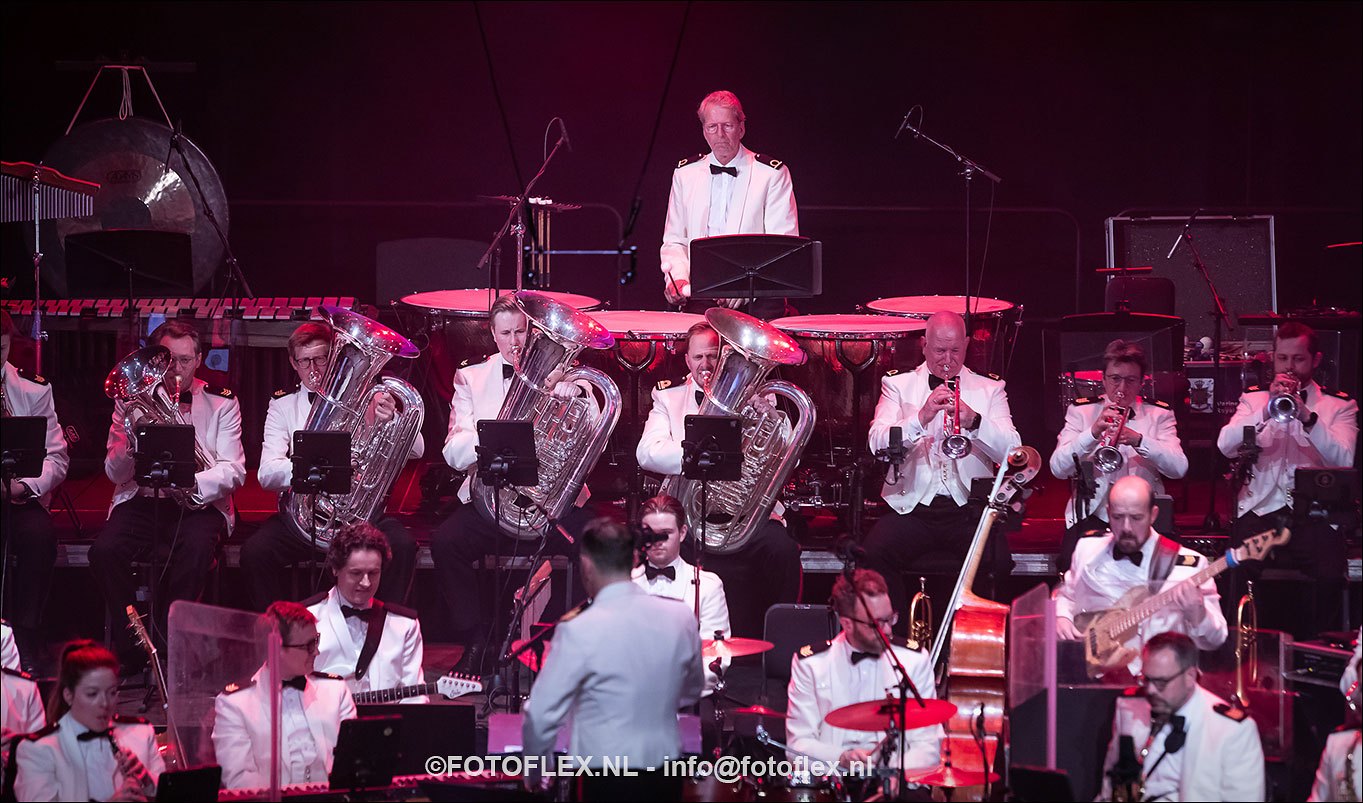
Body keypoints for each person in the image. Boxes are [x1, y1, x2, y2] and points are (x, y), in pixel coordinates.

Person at [430, 294, 595, 674]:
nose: (515, 342)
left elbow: (593, 438)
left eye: (521, 332)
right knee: (446, 543)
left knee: (597, 545)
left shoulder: (567, 374)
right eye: (506, 334)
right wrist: (495, 438)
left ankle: (554, 637)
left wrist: (576, 396)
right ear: (492, 334)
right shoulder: (471, 377)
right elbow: (453, 452)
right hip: (492, 503)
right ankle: (476, 640)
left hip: (551, 505)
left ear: (533, 332)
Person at [90, 320, 245, 668]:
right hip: (144, 499)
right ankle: (133, 646)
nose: (176, 369)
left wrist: (191, 482)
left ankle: (167, 646)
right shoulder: (130, 402)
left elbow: (234, 469)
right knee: (104, 552)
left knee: (196, 551)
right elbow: (114, 473)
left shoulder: (222, 402)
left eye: (185, 360)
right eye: (169, 360)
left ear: (199, 360)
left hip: (198, 504)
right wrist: (133, 443)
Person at [635, 321, 802, 637]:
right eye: (698, 357)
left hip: (746, 516)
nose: (706, 364)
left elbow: (787, 454)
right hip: (691, 514)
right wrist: (702, 454)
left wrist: (771, 418)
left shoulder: (761, 398)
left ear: (725, 356)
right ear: (687, 360)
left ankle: (780, 642)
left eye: (712, 356)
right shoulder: (669, 398)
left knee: (782, 549)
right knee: (660, 543)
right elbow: (647, 453)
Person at [240, 322, 422, 609]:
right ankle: (280, 629)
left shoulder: (371, 399)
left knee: (402, 546)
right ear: (293, 363)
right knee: (255, 553)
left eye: (321, 359)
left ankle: (382, 627)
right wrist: (313, 467)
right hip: (303, 518)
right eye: (305, 361)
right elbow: (267, 474)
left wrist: (393, 419)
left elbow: (417, 450)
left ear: (334, 360)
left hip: (360, 517)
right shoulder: (283, 406)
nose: (314, 369)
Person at [522, 518, 703, 801]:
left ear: (586, 565)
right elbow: (692, 689)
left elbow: (541, 714)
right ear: (634, 560)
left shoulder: (578, 629)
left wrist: (535, 774)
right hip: (666, 771)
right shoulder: (680, 617)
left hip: (604, 775)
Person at [862, 311, 1021, 625]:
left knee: (998, 561)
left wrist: (974, 421)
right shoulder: (898, 384)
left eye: (955, 351)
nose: (948, 360)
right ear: (924, 345)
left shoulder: (990, 389)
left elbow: (1013, 450)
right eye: (939, 350)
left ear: (967, 345)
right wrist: (920, 418)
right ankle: (897, 638)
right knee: (873, 555)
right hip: (912, 508)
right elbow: (876, 442)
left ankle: (971, 640)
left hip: (969, 511)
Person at [1217, 322, 1357, 635]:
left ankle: (1321, 651)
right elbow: (1225, 446)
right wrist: (1266, 412)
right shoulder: (1253, 400)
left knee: (1330, 577)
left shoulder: (1339, 405)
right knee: (1236, 568)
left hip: (1315, 514)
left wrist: (1308, 417)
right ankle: (1239, 645)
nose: (1289, 367)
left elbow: (1344, 460)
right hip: (1260, 510)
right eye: (1282, 358)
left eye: (1298, 359)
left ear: (1315, 360)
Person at [1054, 477, 1227, 676]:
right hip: (1096, 675)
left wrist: (1198, 613)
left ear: (1153, 515)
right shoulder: (1087, 549)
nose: (1126, 527)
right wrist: (1062, 616)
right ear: (1108, 513)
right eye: (1118, 517)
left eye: (1136, 518)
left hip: (1160, 682)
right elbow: (1067, 595)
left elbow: (1216, 640)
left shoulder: (1189, 567)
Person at [786, 569, 941, 780]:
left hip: (896, 783)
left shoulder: (914, 661)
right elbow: (797, 746)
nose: (888, 630)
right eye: (877, 623)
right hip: (834, 782)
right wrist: (840, 757)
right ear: (847, 624)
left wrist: (891, 772)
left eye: (890, 619)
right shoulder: (812, 664)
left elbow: (929, 746)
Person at [1050, 339, 1187, 572]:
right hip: (1092, 514)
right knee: (1069, 563)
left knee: (1163, 570)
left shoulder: (1159, 414)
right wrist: (1093, 433)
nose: (1122, 387)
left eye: (1130, 380)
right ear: (1103, 379)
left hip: (1142, 516)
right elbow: (1058, 468)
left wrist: (1140, 441)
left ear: (1141, 382)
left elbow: (1179, 468)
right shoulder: (1080, 412)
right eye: (1115, 379)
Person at [660, 90, 798, 320]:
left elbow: (782, 246)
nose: (720, 134)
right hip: (701, 292)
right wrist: (679, 279)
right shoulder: (685, 174)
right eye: (712, 127)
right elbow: (674, 240)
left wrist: (743, 286)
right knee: (697, 341)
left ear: (741, 128)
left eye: (727, 126)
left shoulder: (772, 174)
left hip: (758, 296)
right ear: (704, 131)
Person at [1100, 632, 1264, 802]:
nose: (1151, 690)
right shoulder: (1130, 707)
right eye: (1146, 680)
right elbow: (1109, 784)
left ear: (1190, 677)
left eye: (1161, 682)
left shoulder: (1232, 730)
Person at [212, 601, 356, 789]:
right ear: (276, 648)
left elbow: (352, 761)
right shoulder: (234, 703)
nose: (317, 651)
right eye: (308, 645)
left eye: (316, 641)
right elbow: (239, 778)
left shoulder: (335, 690)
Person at [12, 640, 163, 802]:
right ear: (68, 696)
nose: (104, 703)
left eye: (112, 693)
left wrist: (148, 782)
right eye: (92, 694)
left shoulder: (141, 733)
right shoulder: (38, 750)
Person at [1, 311, 69, 663]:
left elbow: (56, 458)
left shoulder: (33, 388)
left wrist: (22, 488)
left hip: (17, 495)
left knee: (39, 537)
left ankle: (26, 636)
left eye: (1, 349)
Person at [304, 523, 425, 702]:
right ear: (335, 569)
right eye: (356, 573)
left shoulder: (404, 625)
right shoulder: (305, 619)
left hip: (386, 719)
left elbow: (415, 696)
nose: (366, 583)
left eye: (373, 573)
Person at [631, 494, 731, 694]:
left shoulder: (708, 586)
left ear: (682, 533)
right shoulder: (623, 584)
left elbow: (715, 658)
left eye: (665, 533)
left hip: (689, 698)